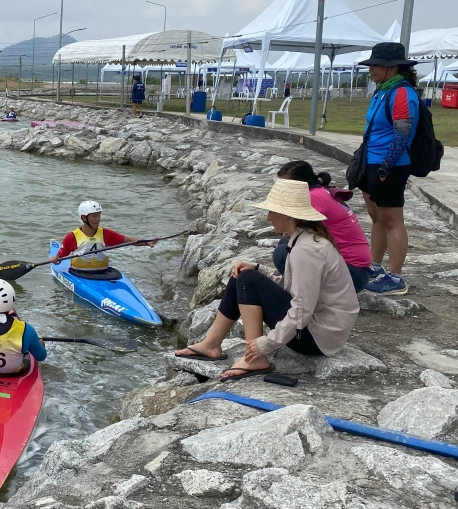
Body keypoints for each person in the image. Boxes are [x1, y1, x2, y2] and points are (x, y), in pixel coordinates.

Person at [173, 179, 359, 382]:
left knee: (248, 279)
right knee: (243, 275)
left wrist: (266, 344)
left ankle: (255, 358)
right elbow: (294, 286)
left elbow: (302, 309)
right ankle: (211, 344)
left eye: (272, 211)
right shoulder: (305, 239)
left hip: (317, 338)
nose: (269, 217)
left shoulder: (306, 250)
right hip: (320, 329)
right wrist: (259, 270)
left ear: (287, 215)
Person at [355, 42, 420, 295]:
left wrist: (386, 167)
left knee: (393, 220)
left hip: (388, 165)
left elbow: (402, 133)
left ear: (392, 67)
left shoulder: (401, 93)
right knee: (376, 216)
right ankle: (375, 266)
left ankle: (395, 277)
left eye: (376, 65)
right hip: (371, 162)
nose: (371, 69)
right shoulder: (382, 89)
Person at [273, 161, 373, 293]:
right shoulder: (320, 191)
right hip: (359, 269)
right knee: (286, 243)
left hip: (353, 274)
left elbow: (291, 229)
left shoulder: (313, 198)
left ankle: (307, 293)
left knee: (282, 254)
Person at [48, 201, 157, 275]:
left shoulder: (106, 234)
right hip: (80, 274)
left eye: (99, 215)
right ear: (84, 218)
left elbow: (128, 241)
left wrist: (147, 243)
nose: (98, 219)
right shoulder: (72, 237)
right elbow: (59, 257)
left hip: (103, 273)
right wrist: (55, 258)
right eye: (94, 216)